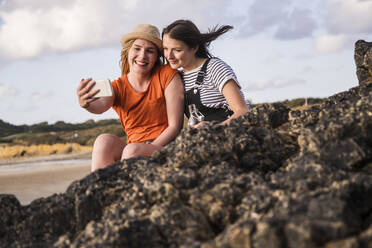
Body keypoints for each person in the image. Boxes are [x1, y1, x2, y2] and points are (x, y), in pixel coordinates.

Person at [77, 24, 184, 172]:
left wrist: (150, 148)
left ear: (156, 57)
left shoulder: (167, 74)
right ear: (128, 51)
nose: (142, 56)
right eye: (137, 48)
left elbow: (175, 126)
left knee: (131, 151)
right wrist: (86, 103)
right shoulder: (118, 86)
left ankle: (126, 190)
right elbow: (100, 106)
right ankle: (100, 188)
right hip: (132, 151)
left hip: (164, 147)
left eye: (150, 51)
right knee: (103, 140)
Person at [162, 20, 249, 128]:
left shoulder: (215, 67)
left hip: (231, 135)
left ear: (194, 47)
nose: (169, 55)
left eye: (177, 50)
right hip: (202, 140)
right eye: (165, 49)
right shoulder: (177, 77)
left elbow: (243, 111)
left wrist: (213, 128)